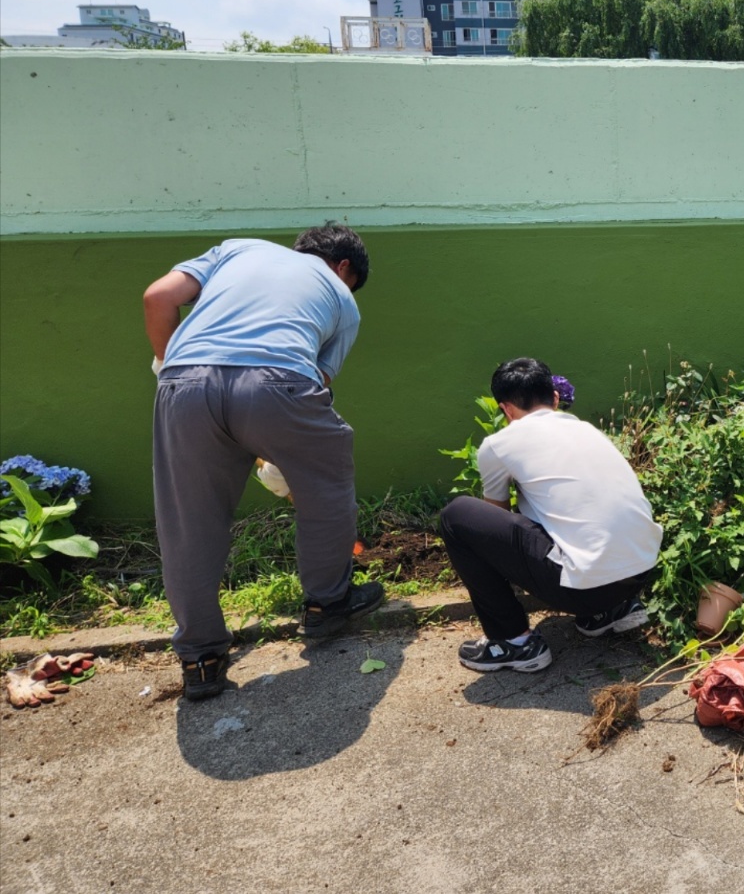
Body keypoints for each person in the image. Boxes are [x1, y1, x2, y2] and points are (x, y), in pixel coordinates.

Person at [143, 224, 383, 701]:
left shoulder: (237, 250)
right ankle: (326, 605)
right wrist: (270, 443)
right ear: (344, 268)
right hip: (280, 382)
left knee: (189, 523)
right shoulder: (341, 295)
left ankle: (200, 656)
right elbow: (316, 380)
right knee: (326, 492)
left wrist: (179, 368)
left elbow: (157, 297)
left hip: (184, 383)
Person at [438, 358, 662, 673]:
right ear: (555, 399)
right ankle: (612, 610)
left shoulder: (499, 444)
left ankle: (513, 641)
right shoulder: (586, 430)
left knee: (456, 516)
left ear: (505, 409)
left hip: (584, 590)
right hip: (639, 572)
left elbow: (494, 521)